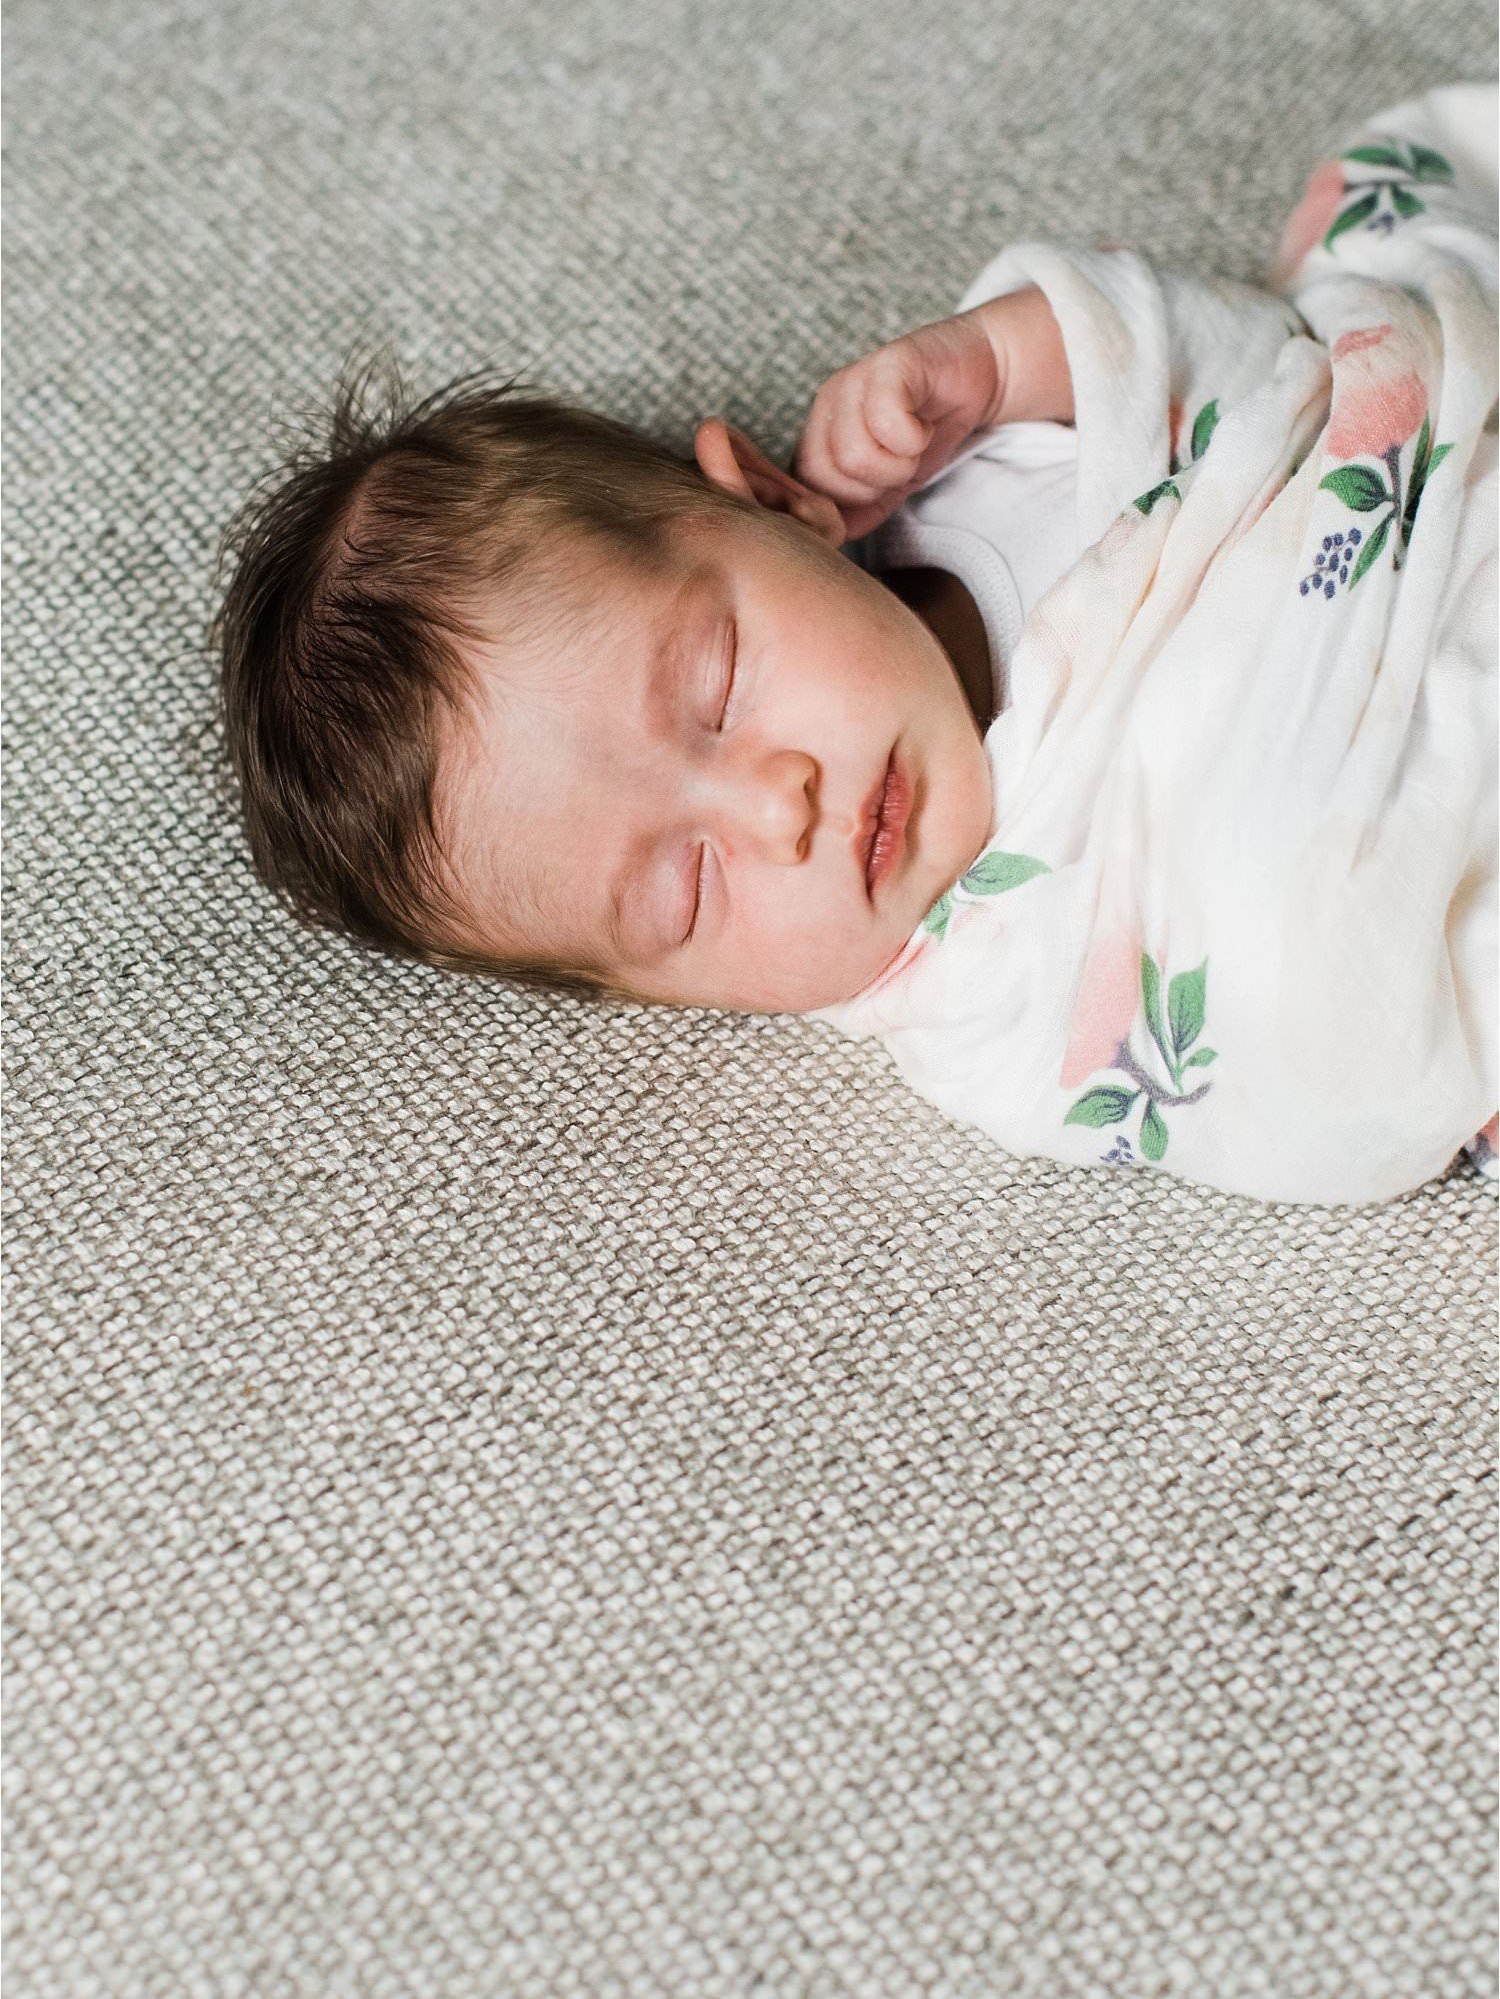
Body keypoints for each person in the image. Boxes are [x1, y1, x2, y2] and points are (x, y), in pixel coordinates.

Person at [213, 85, 1497, 1205]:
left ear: (772, 506)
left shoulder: (979, 474)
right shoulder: (987, 1005)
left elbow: (1228, 360)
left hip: (1428, 499)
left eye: (717, 684)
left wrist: (996, 365)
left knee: (1371, 244)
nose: (780, 808)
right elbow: (1286, 1062)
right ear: (670, 999)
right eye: (689, 891)